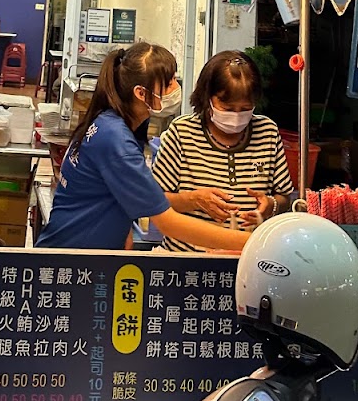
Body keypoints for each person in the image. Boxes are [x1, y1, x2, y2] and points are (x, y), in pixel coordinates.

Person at [37, 42, 256, 254]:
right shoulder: (116, 139)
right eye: (168, 83)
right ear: (141, 93)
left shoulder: (111, 122)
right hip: (71, 257)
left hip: (84, 251)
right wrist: (254, 241)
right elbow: (168, 223)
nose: (175, 87)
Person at [152, 51, 294, 252]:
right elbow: (156, 201)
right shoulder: (182, 132)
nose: (236, 117)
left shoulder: (267, 132)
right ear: (208, 98)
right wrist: (194, 200)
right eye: (227, 109)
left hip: (248, 256)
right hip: (187, 259)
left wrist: (270, 205)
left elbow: (284, 197)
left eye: (245, 108)